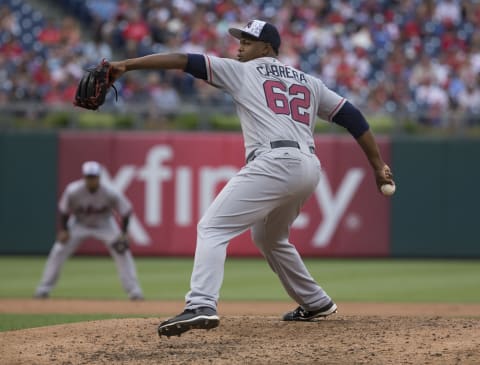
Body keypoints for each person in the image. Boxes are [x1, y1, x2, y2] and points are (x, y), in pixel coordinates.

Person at [108, 19, 395, 337]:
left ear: (267, 48)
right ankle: (315, 302)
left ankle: (201, 304)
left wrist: (126, 64)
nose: (240, 46)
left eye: (248, 40)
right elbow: (352, 117)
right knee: (270, 238)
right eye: (240, 40)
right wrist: (376, 164)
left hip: (274, 162)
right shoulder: (308, 81)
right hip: (308, 167)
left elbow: (182, 60)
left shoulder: (242, 70)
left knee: (213, 227)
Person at [34, 161, 144, 300]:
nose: (91, 179)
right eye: (89, 176)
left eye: (94, 176)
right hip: (79, 223)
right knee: (59, 250)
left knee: (122, 250)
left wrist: (123, 233)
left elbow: (126, 211)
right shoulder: (73, 190)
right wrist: (65, 230)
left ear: (99, 177)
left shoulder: (110, 192)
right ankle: (43, 289)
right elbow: (64, 210)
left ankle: (134, 291)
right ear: (84, 177)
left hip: (105, 224)